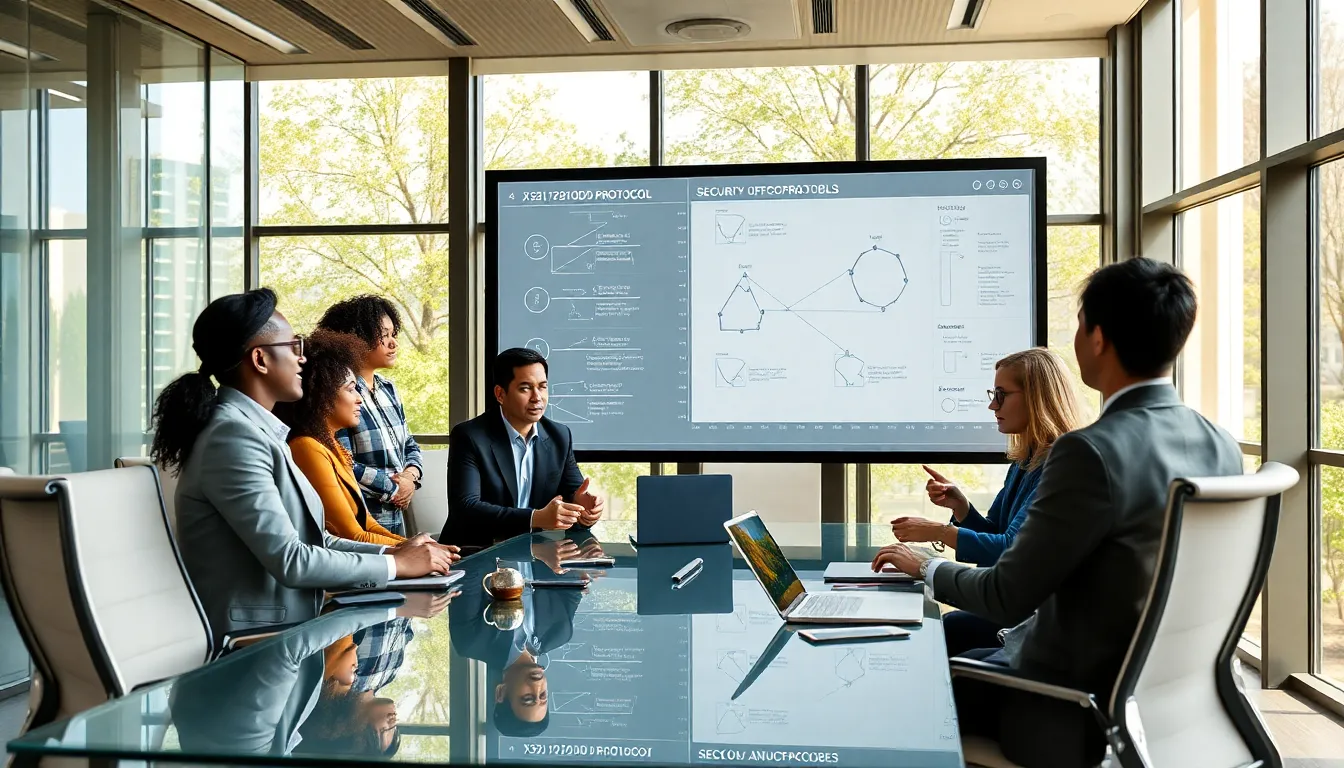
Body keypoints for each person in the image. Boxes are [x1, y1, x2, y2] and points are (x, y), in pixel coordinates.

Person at [871, 258, 1243, 768]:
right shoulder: (1221, 444)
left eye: (1079, 323)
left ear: (1097, 338)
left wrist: (927, 566)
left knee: (900, 678)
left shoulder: (1087, 453)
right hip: (1168, 707)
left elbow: (1006, 594)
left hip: (1064, 708)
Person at [152, 288, 457, 644]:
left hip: (295, 632)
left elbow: (317, 540)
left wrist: (395, 553)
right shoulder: (232, 438)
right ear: (261, 360)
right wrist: (398, 565)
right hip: (254, 647)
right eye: (294, 346)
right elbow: (291, 560)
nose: (302, 359)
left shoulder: (260, 432)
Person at [890, 348, 1083, 657]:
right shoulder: (1026, 462)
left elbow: (1007, 548)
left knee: (945, 631)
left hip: (1032, 619)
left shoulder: (1060, 465)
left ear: (1035, 397)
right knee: (946, 627)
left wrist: (938, 533)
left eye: (1002, 395)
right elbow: (997, 530)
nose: (993, 405)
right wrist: (961, 507)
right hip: (1019, 608)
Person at [440, 348, 605, 549]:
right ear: (500, 394)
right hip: (475, 552)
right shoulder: (470, 436)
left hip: (536, 552)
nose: (537, 397)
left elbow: (573, 492)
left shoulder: (559, 436)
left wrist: (584, 507)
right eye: (525, 388)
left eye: (542, 387)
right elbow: (466, 508)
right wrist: (535, 518)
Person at [448, 535, 592, 737]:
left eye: (527, 698)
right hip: (547, 524)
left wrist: (533, 550)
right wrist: (583, 567)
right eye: (543, 696)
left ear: (501, 693)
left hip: (487, 523)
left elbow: (468, 565)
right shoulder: (560, 633)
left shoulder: (471, 641)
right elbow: (572, 576)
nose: (537, 687)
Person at [277, 330, 405, 547]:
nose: (359, 399)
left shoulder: (332, 446)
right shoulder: (307, 447)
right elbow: (351, 535)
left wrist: (419, 545)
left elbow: (368, 525)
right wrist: (414, 551)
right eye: (351, 389)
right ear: (323, 396)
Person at [318, 295, 423, 536]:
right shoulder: (338, 393)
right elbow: (341, 461)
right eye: (383, 335)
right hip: (361, 517)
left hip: (397, 517)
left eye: (393, 333)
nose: (393, 343)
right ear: (355, 338)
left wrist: (410, 476)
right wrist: (395, 489)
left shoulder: (389, 388)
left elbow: (410, 444)